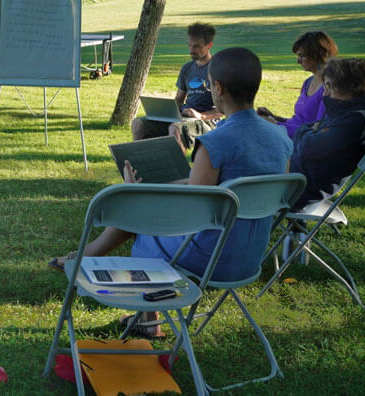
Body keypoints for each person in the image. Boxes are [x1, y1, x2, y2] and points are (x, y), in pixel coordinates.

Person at [50, 48, 293, 337]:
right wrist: (159, 188)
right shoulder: (281, 137)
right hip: (250, 256)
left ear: (217, 88)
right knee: (145, 211)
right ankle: (89, 260)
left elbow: (190, 215)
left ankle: (148, 320)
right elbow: (231, 191)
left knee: (142, 224)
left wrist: (136, 195)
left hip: (208, 259)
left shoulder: (215, 143)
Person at [290, 57, 365, 208]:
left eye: (330, 87)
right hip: (294, 178)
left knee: (244, 176)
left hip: (298, 189)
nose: (325, 94)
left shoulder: (359, 120)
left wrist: (306, 132)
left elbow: (307, 147)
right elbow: (307, 131)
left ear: (351, 87)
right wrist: (308, 131)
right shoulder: (344, 111)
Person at [131, 22, 223, 152]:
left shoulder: (218, 69)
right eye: (190, 45)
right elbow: (179, 99)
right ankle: (142, 162)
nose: (191, 50)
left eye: (197, 46)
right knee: (138, 124)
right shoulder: (187, 68)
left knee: (176, 128)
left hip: (209, 122)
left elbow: (224, 108)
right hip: (183, 117)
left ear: (209, 46)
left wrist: (201, 115)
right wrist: (166, 112)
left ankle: (178, 169)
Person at [258, 31, 338, 137]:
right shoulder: (308, 83)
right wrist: (275, 117)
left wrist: (276, 125)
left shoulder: (328, 89)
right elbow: (299, 120)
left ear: (317, 55)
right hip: (293, 135)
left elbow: (317, 131)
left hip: (302, 144)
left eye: (302, 56)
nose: (298, 61)